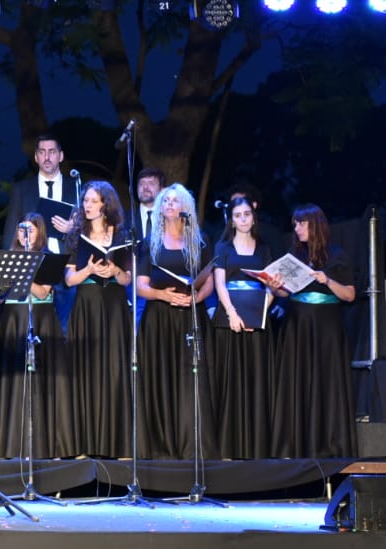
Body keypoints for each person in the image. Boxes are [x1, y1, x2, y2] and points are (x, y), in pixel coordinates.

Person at [135, 183, 217, 460]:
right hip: (159, 320)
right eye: (165, 200)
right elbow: (141, 286)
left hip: (190, 317)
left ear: (185, 206)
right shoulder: (150, 242)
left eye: (175, 199)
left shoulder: (200, 241)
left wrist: (195, 299)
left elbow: (209, 282)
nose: (170, 203)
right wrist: (163, 295)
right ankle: (161, 446)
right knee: (161, 377)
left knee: (190, 379)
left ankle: (193, 445)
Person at [270, 204, 357, 459]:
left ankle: (330, 447)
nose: (296, 229)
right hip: (298, 327)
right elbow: (285, 292)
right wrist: (275, 288)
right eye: (294, 224)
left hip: (326, 328)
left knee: (326, 383)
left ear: (315, 224)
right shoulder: (294, 255)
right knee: (298, 382)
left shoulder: (337, 255)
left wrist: (327, 280)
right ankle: (293, 447)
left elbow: (350, 295)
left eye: (301, 223)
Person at [62, 180, 131, 458]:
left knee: (115, 369)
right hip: (87, 305)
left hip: (114, 306)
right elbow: (68, 280)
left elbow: (127, 280)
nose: (87, 205)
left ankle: (119, 444)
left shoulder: (123, 235)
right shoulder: (76, 237)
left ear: (106, 204)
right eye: (86, 201)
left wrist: (114, 270)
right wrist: (89, 269)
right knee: (85, 370)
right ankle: (85, 444)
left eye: (93, 200)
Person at [0, 213, 71, 459]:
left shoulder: (46, 258)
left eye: (31, 230)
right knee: (13, 381)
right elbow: (0, 293)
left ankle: (42, 444)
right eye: (21, 229)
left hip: (40, 318)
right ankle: (11, 443)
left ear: (40, 233)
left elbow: (41, 292)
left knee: (40, 379)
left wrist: (22, 275)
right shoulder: (8, 257)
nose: (25, 234)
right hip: (13, 318)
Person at [210, 196, 275, 459]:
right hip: (230, 321)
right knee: (230, 383)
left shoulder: (263, 249)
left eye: (247, 214)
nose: (243, 219)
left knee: (255, 381)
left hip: (257, 321)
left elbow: (271, 285)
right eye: (238, 215)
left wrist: (259, 313)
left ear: (253, 216)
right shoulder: (223, 247)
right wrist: (233, 315)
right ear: (231, 219)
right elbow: (220, 285)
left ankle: (257, 449)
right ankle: (227, 447)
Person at [3, 134, 74, 250]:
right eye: (42, 152)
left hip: (67, 261)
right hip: (32, 259)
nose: (47, 157)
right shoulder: (21, 189)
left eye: (52, 152)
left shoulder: (76, 188)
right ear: (36, 157)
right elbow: (11, 231)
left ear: (61, 156)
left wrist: (73, 228)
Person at [129, 168, 166, 241]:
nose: (145, 187)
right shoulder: (124, 219)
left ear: (162, 190)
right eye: (141, 183)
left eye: (151, 183)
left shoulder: (169, 220)